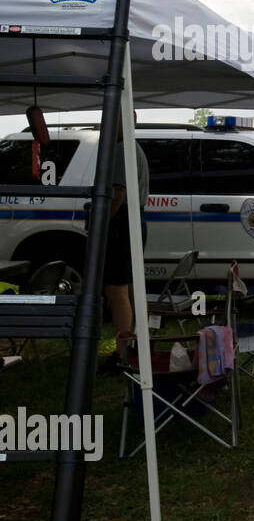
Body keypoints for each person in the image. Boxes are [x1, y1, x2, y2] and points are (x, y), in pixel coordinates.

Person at [101, 116, 150, 363]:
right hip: (134, 220)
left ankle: (122, 353)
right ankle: (134, 346)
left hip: (122, 222)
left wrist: (103, 221)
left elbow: (118, 193)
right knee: (129, 286)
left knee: (116, 290)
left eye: (111, 118)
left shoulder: (121, 148)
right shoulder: (134, 147)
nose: (105, 123)